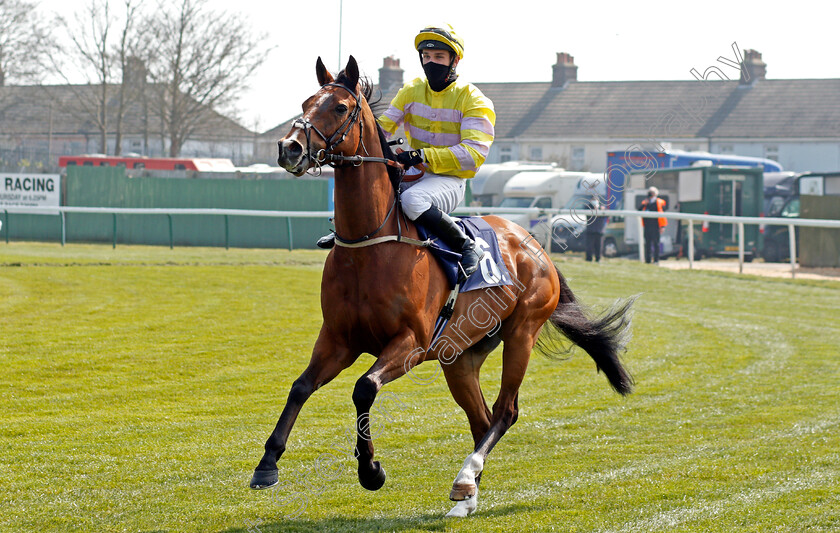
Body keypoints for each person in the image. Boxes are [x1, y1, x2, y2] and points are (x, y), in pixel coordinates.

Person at [318, 24, 495, 281]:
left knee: (412, 202)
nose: (430, 62)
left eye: (439, 57)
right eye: (426, 57)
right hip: (411, 175)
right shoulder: (412, 90)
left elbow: (474, 154)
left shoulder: (474, 100)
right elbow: (383, 129)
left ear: (454, 60)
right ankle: (342, 233)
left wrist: (422, 156)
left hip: (448, 181)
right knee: (367, 187)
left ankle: (467, 246)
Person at [639, 186, 667, 264]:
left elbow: (662, 214)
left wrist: (662, 226)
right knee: (647, 243)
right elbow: (639, 210)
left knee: (656, 243)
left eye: (651, 192)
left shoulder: (660, 202)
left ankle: (656, 260)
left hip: (656, 226)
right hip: (647, 226)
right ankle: (648, 260)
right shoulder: (645, 202)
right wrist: (645, 204)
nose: (650, 194)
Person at [584, 197, 608, 262]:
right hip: (590, 230)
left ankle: (598, 259)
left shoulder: (602, 208)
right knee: (589, 246)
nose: (594, 201)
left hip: (599, 230)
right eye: (593, 200)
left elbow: (607, 215)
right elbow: (586, 212)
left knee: (599, 247)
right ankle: (589, 259)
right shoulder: (588, 207)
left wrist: (601, 209)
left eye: (595, 200)